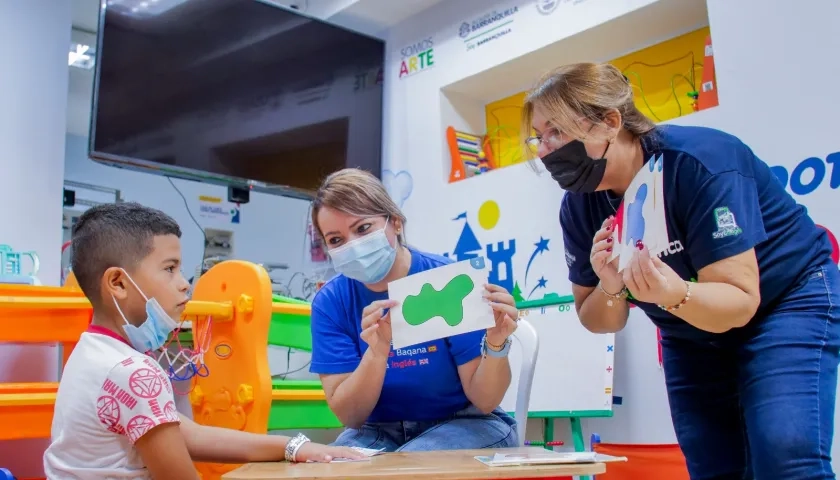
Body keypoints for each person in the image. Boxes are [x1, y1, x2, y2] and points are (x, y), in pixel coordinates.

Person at [523, 62, 839, 479]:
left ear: (610, 122)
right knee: (714, 466)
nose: (545, 150)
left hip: (787, 300)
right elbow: (596, 318)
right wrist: (611, 287)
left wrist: (675, 294)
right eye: (538, 138)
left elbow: (741, 301)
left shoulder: (699, 162)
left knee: (783, 453)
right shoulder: (581, 207)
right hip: (689, 332)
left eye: (556, 132)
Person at [43, 203, 364, 480]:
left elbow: (187, 433)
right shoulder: (132, 371)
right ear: (118, 283)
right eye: (170, 269)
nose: (185, 285)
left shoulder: (92, 352)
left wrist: (292, 447)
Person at [309, 168, 520, 452]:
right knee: (336, 468)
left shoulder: (449, 280)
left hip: (467, 422)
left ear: (395, 222)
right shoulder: (330, 302)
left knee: (408, 467)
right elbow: (351, 416)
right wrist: (377, 352)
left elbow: (485, 400)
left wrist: (496, 344)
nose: (353, 246)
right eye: (336, 240)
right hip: (378, 430)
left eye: (363, 228)